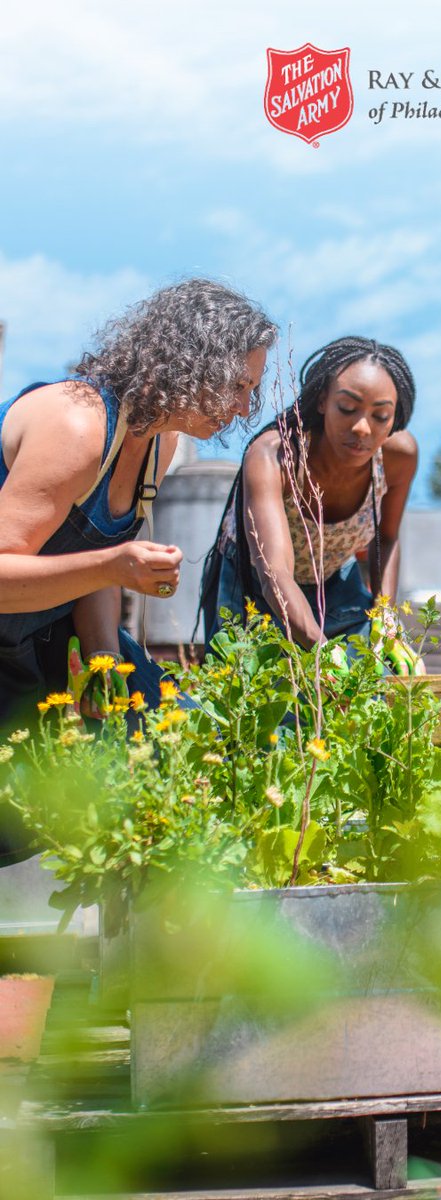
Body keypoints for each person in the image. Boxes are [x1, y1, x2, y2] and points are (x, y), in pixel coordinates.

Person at [0, 278, 276, 862]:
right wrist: (114, 565)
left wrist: (104, 665)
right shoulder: (77, 427)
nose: (244, 408)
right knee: (24, 814)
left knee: (177, 738)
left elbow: (95, 572)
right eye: (237, 385)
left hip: (41, 632)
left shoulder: (159, 444)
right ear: (192, 360)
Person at [201, 337, 418, 653]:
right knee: (255, 683)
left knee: (374, 676)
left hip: (333, 581)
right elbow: (275, 573)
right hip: (254, 586)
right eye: (347, 408)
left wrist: (385, 616)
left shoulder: (398, 456)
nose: (362, 427)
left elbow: (386, 538)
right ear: (322, 401)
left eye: (380, 416)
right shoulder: (276, 455)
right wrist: (324, 654)